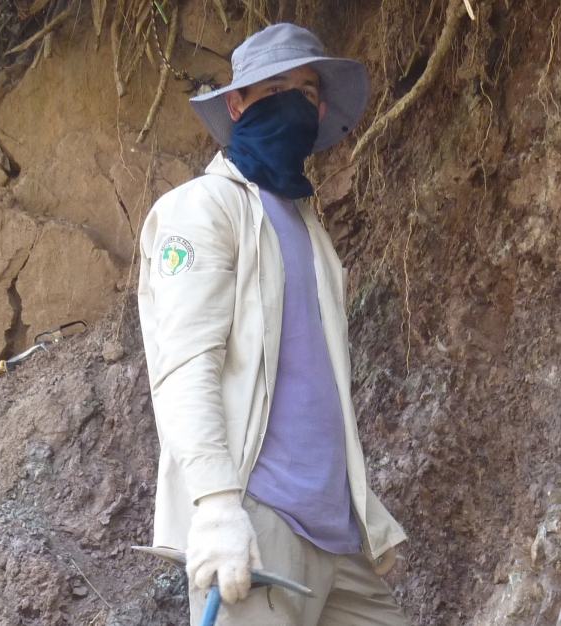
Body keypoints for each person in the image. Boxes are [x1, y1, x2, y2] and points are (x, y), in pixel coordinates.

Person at [137, 22, 408, 626]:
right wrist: (216, 506)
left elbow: (317, 386)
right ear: (236, 104)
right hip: (257, 525)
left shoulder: (307, 230)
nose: (297, 101)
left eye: (309, 92)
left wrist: (364, 510)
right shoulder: (201, 209)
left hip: (335, 534)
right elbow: (184, 365)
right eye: (277, 86)